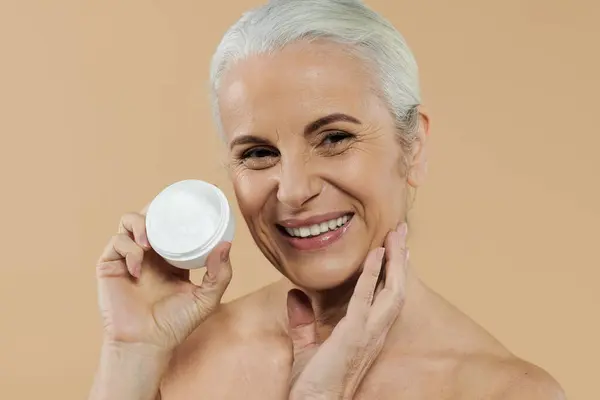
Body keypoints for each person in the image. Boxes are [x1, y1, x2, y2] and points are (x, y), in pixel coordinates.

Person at [89, 1, 566, 399]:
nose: (294, 191)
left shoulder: (505, 391)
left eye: (334, 138)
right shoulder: (179, 355)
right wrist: (129, 355)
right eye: (258, 153)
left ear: (413, 147)